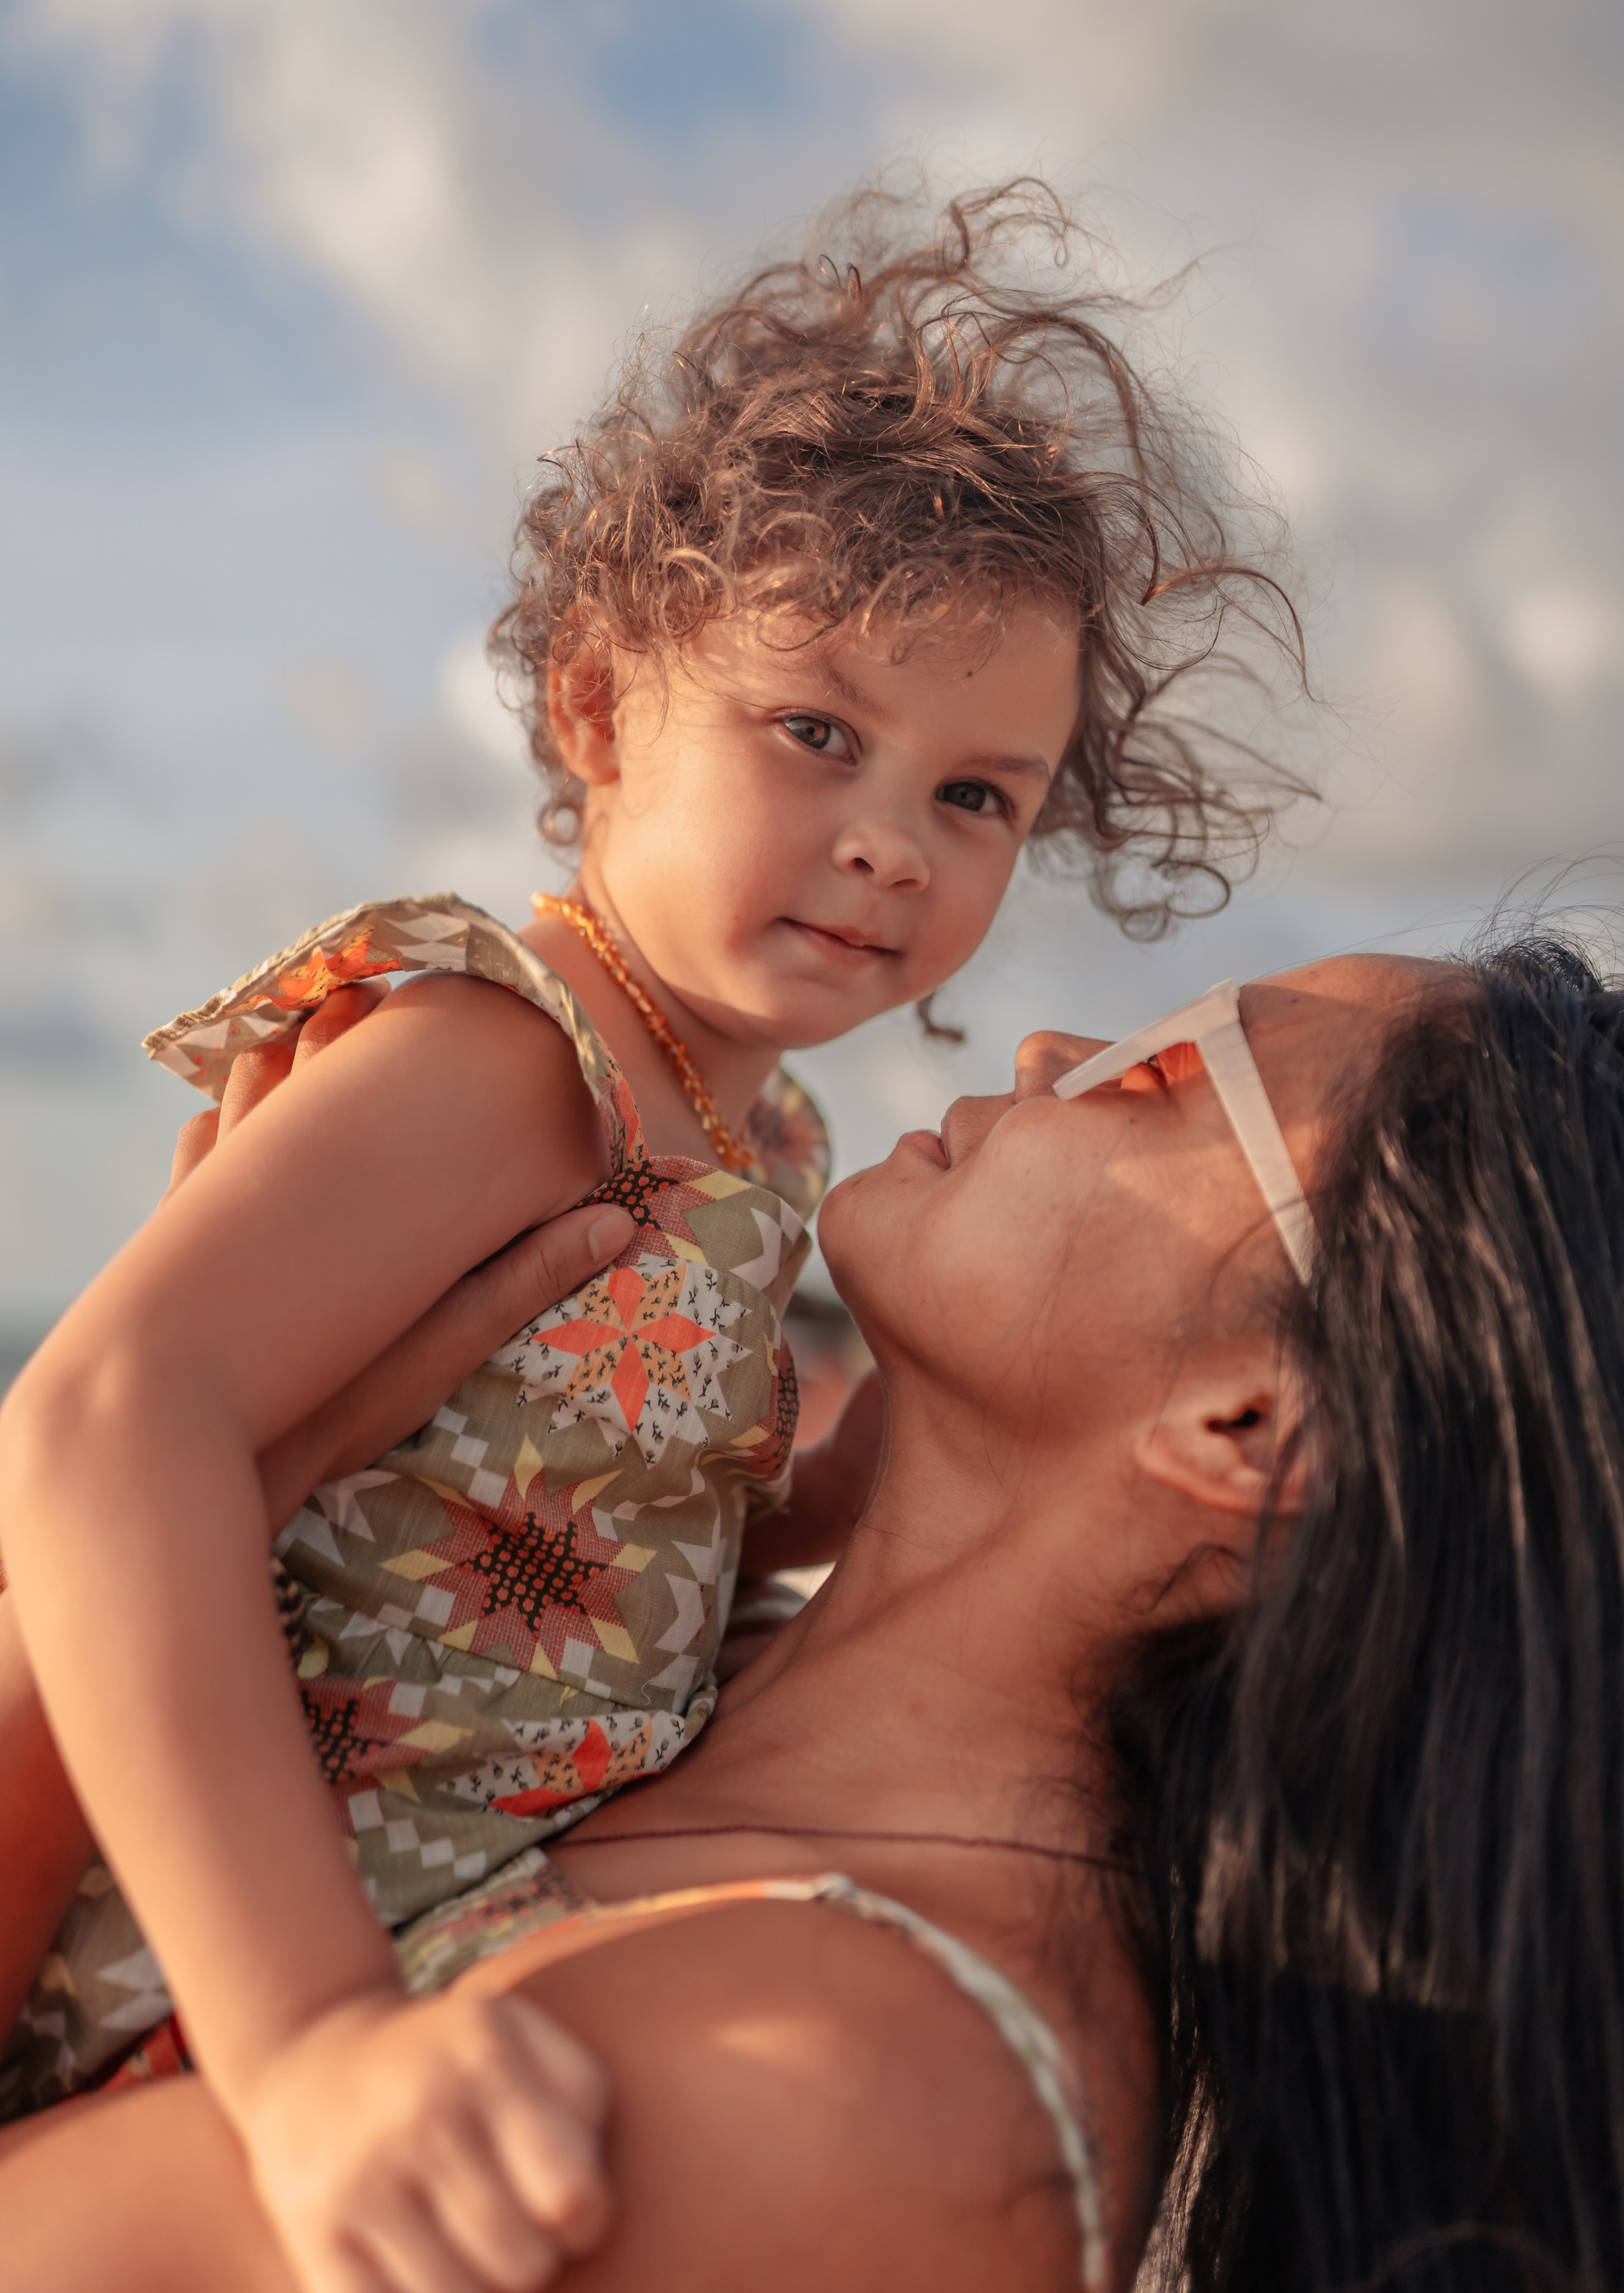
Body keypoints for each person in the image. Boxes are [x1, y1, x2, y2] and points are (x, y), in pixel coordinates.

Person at [0, 180, 1300, 2287]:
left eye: (980, 798)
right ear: (600, 712)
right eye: (819, 735)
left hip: (424, 1916)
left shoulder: (752, 1125)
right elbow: (100, 1425)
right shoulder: (510, 1056)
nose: (892, 843)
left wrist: (840, 1497)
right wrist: (314, 2035)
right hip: (226, 1936)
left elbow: (581, 1500)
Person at [6, 934, 1619, 2293]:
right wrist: (252, 1511)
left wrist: (231, 1464)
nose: (1057, 1042)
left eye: (1174, 1069)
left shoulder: (848, 2093)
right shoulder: (602, 1691)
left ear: (1250, 1429)